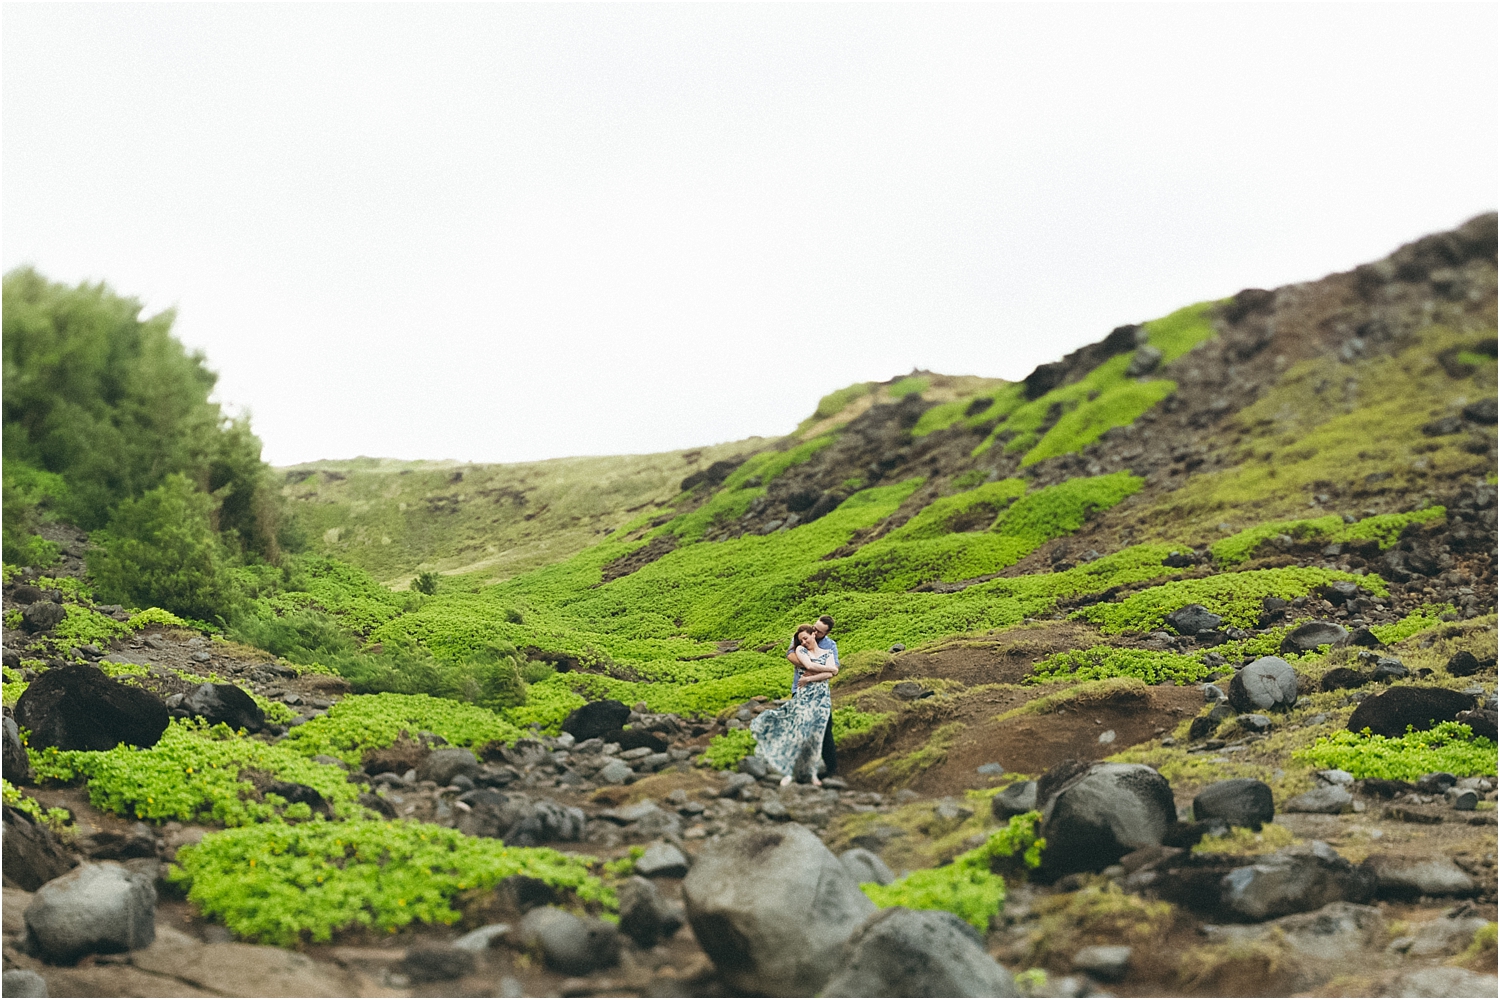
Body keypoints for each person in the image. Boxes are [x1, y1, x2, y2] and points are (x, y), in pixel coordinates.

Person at [752, 624, 837, 786]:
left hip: (822, 698)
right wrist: (828, 670)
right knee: (799, 732)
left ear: (814, 634)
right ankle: (789, 771)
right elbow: (811, 666)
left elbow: (831, 673)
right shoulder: (800, 651)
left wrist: (812, 677)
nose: (803, 642)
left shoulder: (829, 650)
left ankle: (814, 773)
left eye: (805, 638)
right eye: (800, 640)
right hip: (803, 695)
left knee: (819, 736)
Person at [786, 614, 839, 776]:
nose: (814, 633)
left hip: (821, 693)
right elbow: (791, 656)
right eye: (814, 628)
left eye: (819, 632)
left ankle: (832, 769)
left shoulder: (830, 645)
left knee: (825, 730)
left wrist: (812, 672)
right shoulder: (803, 636)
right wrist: (816, 664)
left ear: (827, 633)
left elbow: (834, 670)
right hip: (800, 690)